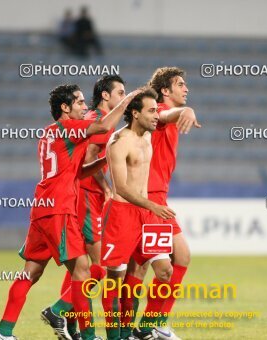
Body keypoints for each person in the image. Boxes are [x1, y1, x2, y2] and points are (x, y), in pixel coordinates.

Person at [0, 84, 140, 340]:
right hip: (60, 209)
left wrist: (106, 160)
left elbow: (76, 172)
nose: (85, 107)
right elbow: (104, 127)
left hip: (42, 208)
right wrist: (127, 101)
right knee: (86, 270)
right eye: (80, 103)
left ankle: (3, 332)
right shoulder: (70, 128)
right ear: (65, 107)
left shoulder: (48, 133)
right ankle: (83, 331)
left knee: (31, 272)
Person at [41, 75, 126, 340]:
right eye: (120, 93)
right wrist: (107, 187)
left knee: (81, 268)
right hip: (86, 198)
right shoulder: (96, 120)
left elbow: (86, 159)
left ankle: (77, 329)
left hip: (79, 198)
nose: (123, 97)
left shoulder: (91, 120)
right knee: (100, 267)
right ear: (106, 96)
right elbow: (88, 158)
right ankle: (64, 314)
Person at [122, 67, 201, 340]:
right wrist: (185, 111)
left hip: (151, 197)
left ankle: (135, 330)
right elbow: (167, 115)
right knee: (179, 257)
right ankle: (149, 326)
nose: (186, 89)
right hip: (151, 199)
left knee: (137, 267)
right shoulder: (159, 113)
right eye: (180, 84)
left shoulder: (156, 115)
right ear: (165, 91)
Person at [100, 88, 182, 340]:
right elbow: (121, 187)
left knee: (165, 271)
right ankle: (118, 336)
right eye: (152, 111)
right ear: (135, 114)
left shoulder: (147, 137)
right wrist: (152, 205)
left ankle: (136, 329)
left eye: (158, 110)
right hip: (122, 216)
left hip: (146, 215)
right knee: (116, 281)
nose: (157, 115)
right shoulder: (118, 141)